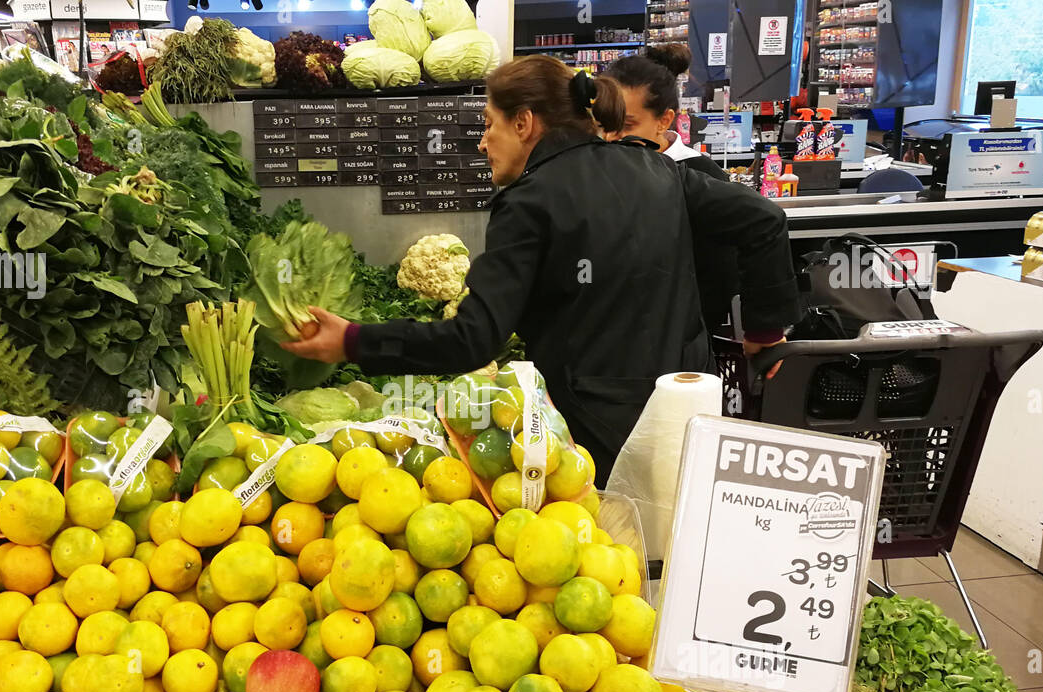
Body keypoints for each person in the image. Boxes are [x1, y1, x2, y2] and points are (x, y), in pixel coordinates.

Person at [282, 55, 799, 484]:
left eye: (488, 125)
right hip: (684, 415)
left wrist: (354, 341)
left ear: (525, 122)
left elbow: (472, 339)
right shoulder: (662, 171)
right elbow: (766, 219)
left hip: (593, 439)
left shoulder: (528, 203)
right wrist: (764, 332)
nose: (483, 143)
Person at [605, 45, 740, 331]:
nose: (611, 136)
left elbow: (720, 276)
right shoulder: (600, 168)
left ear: (664, 120)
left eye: (627, 124)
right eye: (604, 123)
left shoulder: (700, 173)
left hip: (681, 339)